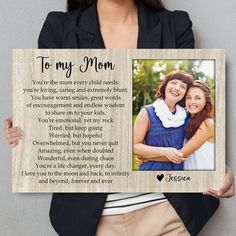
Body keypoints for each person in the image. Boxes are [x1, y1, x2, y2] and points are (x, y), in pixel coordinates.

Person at [4, 0, 234, 235]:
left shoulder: (174, 25)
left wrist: (214, 165)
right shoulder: (59, 27)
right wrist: (31, 124)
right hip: (93, 220)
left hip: (168, 213)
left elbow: (189, 125)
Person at [134, 70, 193, 171]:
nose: (177, 88)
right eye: (174, 83)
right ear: (165, 86)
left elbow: (186, 152)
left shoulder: (186, 116)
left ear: (185, 93)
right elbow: (134, 146)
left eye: (183, 86)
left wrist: (147, 157)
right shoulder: (147, 112)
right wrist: (165, 152)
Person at [183, 80, 214, 170]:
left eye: (197, 98)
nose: (192, 102)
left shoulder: (208, 123)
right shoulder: (185, 121)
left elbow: (181, 154)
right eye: (188, 98)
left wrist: (149, 157)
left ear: (206, 101)